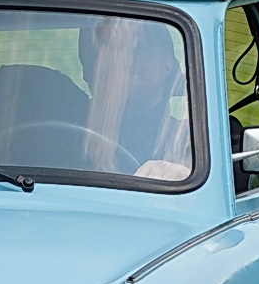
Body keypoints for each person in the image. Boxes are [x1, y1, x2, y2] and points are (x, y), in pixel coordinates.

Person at [78, 17, 192, 180]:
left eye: (138, 47)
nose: (123, 59)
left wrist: (182, 171)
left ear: (167, 64)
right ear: (90, 70)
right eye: (108, 50)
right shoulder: (59, 131)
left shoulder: (192, 144)